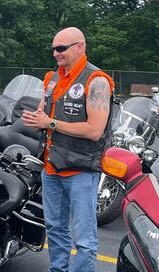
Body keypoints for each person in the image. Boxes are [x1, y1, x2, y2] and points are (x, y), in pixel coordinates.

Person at [21, 27, 114, 272]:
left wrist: (49, 123)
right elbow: (43, 113)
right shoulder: (52, 78)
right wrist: (34, 118)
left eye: (61, 48)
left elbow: (95, 130)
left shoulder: (97, 81)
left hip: (80, 171)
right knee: (54, 228)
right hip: (51, 168)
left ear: (79, 47)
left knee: (84, 239)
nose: (55, 53)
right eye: (53, 48)